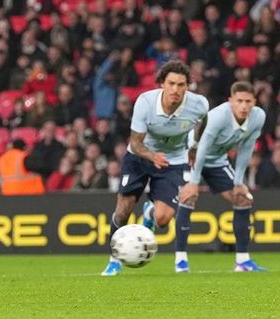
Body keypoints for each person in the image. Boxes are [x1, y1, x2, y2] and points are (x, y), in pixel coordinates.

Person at [101, 59, 209, 276]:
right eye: (171, 84)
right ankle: (114, 261)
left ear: (188, 86)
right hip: (140, 157)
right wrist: (152, 156)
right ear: (162, 84)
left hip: (173, 160)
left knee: (162, 219)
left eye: (181, 85)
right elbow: (136, 143)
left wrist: (194, 147)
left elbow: (203, 121)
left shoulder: (199, 104)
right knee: (123, 212)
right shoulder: (145, 102)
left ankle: (149, 213)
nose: (175, 90)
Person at [175, 81, 267, 273]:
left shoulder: (258, 117)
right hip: (192, 155)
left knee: (241, 200)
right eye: (239, 101)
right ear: (230, 101)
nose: (244, 106)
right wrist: (194, 182)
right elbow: (202, 147)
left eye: (248, 101)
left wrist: (239, 181)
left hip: (217, 160)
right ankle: (181, 260)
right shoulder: (217, 116)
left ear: (254, 102)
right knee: (189, 197)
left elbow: (246, 148)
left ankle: (242, 261)